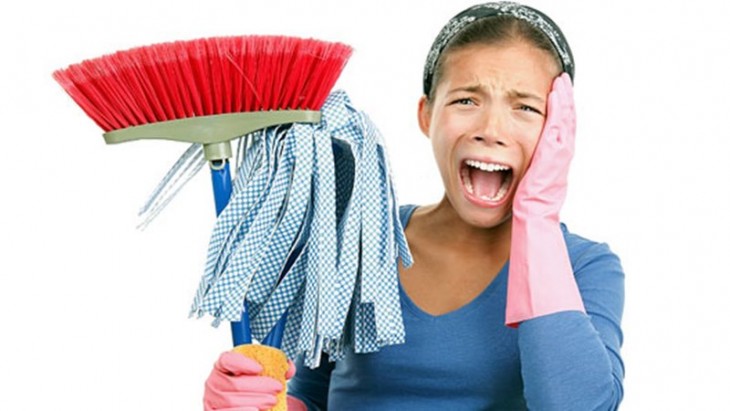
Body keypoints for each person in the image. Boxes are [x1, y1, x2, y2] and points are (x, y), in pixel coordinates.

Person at [203, 2, 625, 410]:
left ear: (558, 131)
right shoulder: (361, 241)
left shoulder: (584, 266)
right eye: (466, 101)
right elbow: (312, 396)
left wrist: (538, 215)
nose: (491, 129)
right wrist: (251, 402)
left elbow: (575, 406)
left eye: (527, 108)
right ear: (426, 115)